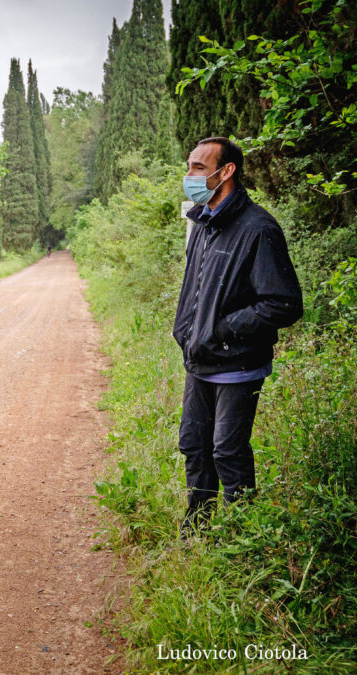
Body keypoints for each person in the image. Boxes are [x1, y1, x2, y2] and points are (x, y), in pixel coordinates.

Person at [173, 136, 302, 535]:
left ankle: (242, 538)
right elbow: (195, 288)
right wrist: (188, 331)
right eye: (190, 165)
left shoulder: (258, 229)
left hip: (237, 365)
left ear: (225, 171)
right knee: (195, 445)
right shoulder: (202, 222)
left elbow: (283, 303)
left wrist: (224, 328)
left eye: (199, 167)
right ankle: (198, 526)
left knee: (227, 450)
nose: (190, 174)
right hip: (200, 359)